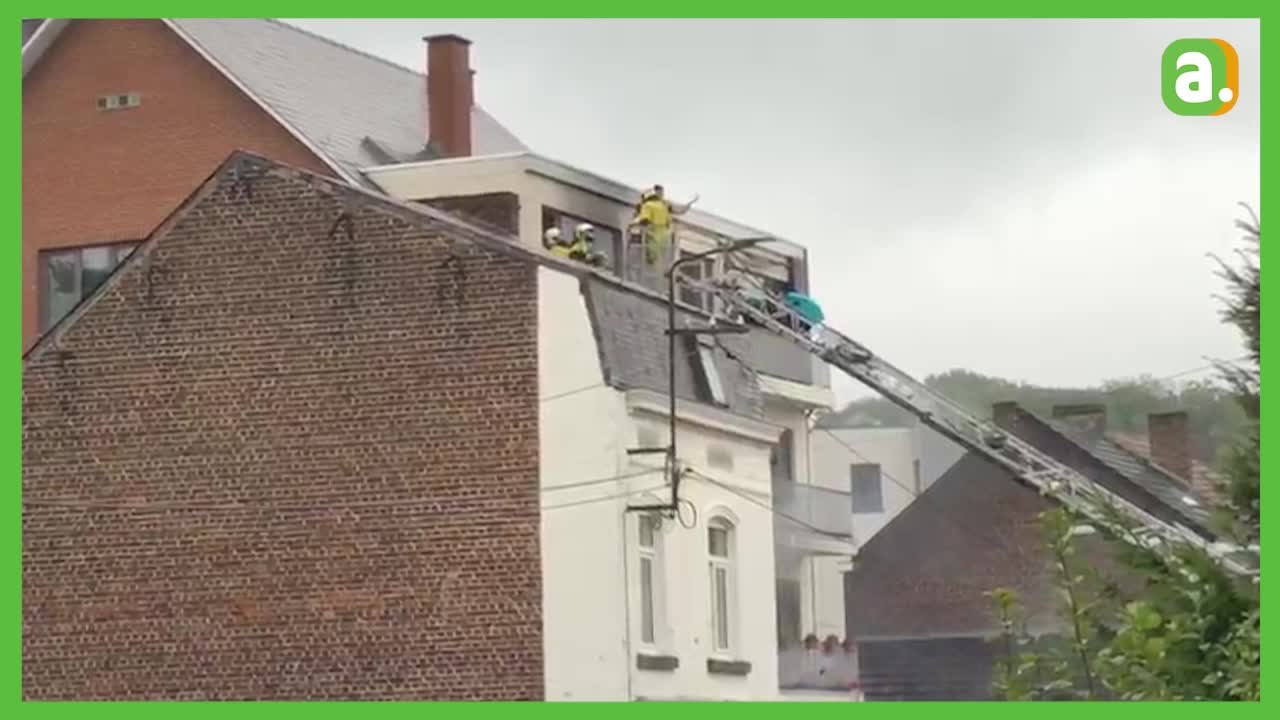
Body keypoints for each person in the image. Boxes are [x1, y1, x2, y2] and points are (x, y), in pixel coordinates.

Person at [627, 184, 700, 268]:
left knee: (648, 259)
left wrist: (631, 224)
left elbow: (644, 220)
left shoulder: (647, 205)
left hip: (652, 235)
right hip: (665, 237)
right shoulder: (665, 206)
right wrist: (691, 202)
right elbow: (681, 210)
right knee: (659, 261)